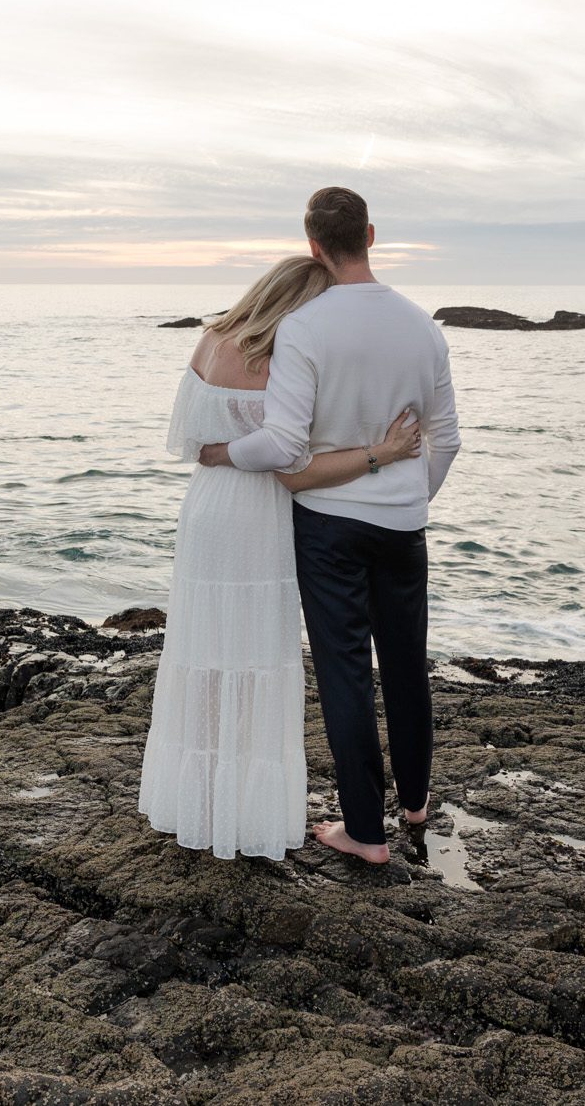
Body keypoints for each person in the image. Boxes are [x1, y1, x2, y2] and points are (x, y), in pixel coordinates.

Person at [200, 187, 462, 864]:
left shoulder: (306, 328)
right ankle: (415, 804)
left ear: (313, 243)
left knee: (347, 671)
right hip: (403, 526)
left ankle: (366, 835)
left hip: (329, 526)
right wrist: (407, 493)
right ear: (371, 234)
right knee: (406, 665)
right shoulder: (421, 325)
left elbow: (282, 445)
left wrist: (223, 452)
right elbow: (448, 439)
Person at [137, 254, 425, 860]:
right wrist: (383, 452)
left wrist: (222, 452)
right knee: (257, 658)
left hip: (206, 509)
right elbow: (293, 463)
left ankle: (197, 802)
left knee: (203, 653)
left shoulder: (210, 339)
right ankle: (245, 813)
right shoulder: (284, 361)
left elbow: (192, 443)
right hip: (260, 516)